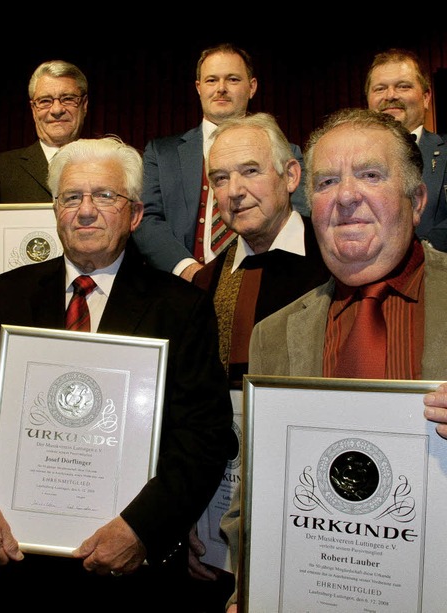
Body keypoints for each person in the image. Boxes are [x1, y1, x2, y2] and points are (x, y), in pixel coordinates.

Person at [0, 136, 234, 612]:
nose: (85, 211)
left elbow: (204, 437)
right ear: (55, 211)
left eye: (104, 196)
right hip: (17, 566)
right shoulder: (9, 294)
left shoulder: (181, 307)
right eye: (72, 197)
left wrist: (142, 528)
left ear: (135, 214)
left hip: (130, 576)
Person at [221, 108, 447, 612]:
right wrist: (250, 583)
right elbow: (252, 502)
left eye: (370, 174)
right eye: (326, 181)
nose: (345, 196)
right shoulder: (274, 335)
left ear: (416, 201)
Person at [188, 112, 330, 612]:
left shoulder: (337, 264)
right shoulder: (204, 284)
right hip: (214, 526)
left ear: (291, 176)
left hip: (317, 523)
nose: (235, 190)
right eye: (220, 178)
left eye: (250, 171)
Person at [132, 42, 308, 282]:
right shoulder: (161, 154)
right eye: (211, 80)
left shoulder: (288, 153)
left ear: (252, 87)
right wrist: (189, 271)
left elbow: (299, 219)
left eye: (233, 80)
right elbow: (147, 219)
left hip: (264, 282)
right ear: (198, 88)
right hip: (180, 288)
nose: (221, 89)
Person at [0, 59, 88, 348]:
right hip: (14, 326)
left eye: (68, 98)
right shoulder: (2, 171)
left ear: (84, 104)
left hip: (87, 318)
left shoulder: (107, 165)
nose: (56, 109)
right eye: (45, 101)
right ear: (32, 108)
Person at [365, 48, 447, 251]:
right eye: (380, 89)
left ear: (426, 97)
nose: (390, 96)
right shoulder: (346, 161)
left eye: (403, 86)